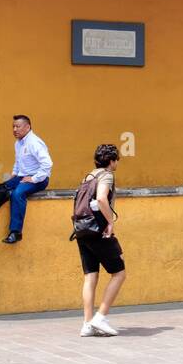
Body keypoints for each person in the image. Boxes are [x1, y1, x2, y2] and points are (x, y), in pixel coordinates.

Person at [77, 144, 127, 337]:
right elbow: (101, 199)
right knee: (119, 273)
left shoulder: (88, 176)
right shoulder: (106, 175)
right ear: (111, 161)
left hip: (82, 230)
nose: (117, 164)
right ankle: (101, 317)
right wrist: (110, 222)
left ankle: (87, 323)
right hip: (99, 230)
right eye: (116, 160)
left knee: (91, 276)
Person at [0, 114, 53, 244]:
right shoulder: (18, 143)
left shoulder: (34, 142)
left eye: (18, 126)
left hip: (39, 179)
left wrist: (34, 178)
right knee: (2, 188)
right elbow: (18, 162)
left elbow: (48, 163)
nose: (14, 130)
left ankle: (15, 232)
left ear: (28, 127)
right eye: (13, 127)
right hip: (22, 176)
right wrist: (14, 175)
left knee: (18, 193)